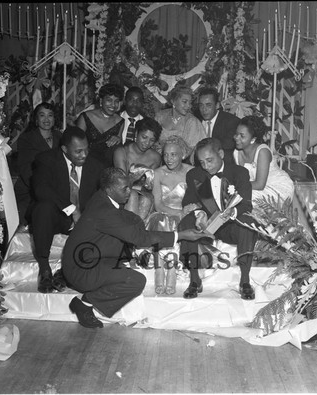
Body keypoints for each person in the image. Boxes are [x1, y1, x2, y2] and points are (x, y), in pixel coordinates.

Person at [61, 167, 213, 329]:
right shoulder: (105, 212)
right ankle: (85, 303)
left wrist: (136, 228)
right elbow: (140, 238)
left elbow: (131, 223)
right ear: (109, 189)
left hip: (85, 258)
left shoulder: (101, 197)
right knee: (135, 281)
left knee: (134, 223)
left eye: (129, 186)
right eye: (124, 189)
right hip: (80, 270)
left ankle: (119, 262)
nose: (129, 192)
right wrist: (181, 235)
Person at [28, 126, 105, 293]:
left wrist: (85, 216)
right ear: (64, 149)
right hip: (58, 216)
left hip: (84, 219)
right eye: (78, 151)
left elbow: (102, 196)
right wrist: (72, 209)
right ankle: (45, 269)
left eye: (86, 150)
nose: (84, 155)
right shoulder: (46, 159)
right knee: (42, 208)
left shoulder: (96, 165)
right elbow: (41, 189)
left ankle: (66, 272)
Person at [178, 138, 258, 300]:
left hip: (231, 226)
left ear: (221, 154)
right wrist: (197, 212)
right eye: (202, 162)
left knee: (248, 223)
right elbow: (188, 200)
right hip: (206, 224)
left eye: (209, 160)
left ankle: (244, 281)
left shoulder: (239, 173)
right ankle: (194, 280)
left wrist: (233, 212)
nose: (206, 166)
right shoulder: (194, 174)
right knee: (186, 222)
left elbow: (246, 205)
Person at [146, 135, 195, 295]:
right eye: (165, 154)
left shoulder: (191, 172)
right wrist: (177, 213)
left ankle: (172, 270)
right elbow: (158, 204)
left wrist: (184, 212)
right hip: (163, 212)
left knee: (176, 223)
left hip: (184, 214)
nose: (168, 158)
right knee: (161, 221)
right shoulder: (158, 173)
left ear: (183, 154)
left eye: (173, 154)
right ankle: (159, 270)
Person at [14, 102, 62, 226]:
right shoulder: (26, 139)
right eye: (42, 115)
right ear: (36, 119)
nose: (46, 119)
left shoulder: (60, 137)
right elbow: (26, 169)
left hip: (58, 188)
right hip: (30, 189)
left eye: (50, 115)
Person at [233, 115, 294, 203]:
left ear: (253, 139)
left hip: (276, 187)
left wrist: (234, 186)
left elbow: (259, 184)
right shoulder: (236, 152)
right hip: (253, 188)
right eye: (236, 134)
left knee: (243, 197)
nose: (236, 138)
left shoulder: (262, 152)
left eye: (242, 136)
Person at [113, 117, 162, 220]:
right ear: (136, 134)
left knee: (147, 199)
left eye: (152, 140)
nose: (147, 143)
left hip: (144, 196)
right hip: (121, 193)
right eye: (144, 137)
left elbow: (151, 186)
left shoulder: (155, 158)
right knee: (133, 195)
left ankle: (137, 231)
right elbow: (121, 183)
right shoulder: (122, 152)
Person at [76, 83, 125, 167]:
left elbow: (118, 152)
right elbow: (76, 145)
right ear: (101, 101)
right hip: (86, 163)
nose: (113, 105)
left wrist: (118, 139)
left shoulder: (120, 121)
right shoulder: (85, 117)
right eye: (109, 100)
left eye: (116, 101)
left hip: (108, 166)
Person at [155, 85, 206, 162]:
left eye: (190, 102)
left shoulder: (192, 121)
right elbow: (152, 140)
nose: (188, 106)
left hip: (182, 164)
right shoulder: (160, 116)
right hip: (158, 160)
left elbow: (188, 153)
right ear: (173, 101)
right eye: (184, 102)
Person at [195, 86, 240, 163]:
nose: (204, 109)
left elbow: (228, 146)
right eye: (201, 105)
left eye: (208, 105)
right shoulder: (195, 120)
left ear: (217, 105)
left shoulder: (231, 121)